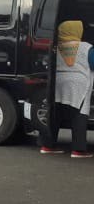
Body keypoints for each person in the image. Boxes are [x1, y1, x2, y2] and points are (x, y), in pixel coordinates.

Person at [39, 20, 94, 158]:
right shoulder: (86, 47)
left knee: (55, 115)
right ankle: (78, 150)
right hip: (78, 85)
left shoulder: (55, 47)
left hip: (57, 82)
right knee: (79, 116)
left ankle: (47, 146)